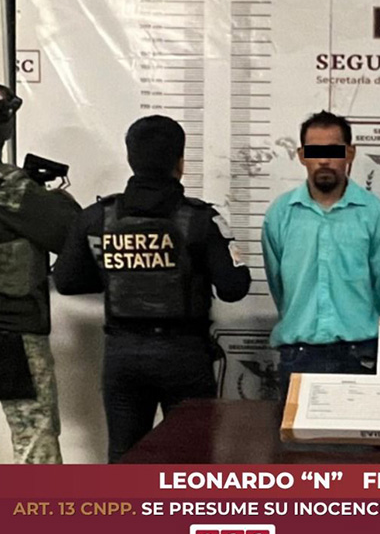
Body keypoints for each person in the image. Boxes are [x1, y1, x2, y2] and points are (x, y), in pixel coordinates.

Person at [54, 115, 250, 462]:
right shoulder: (201, 219)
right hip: (184, 356)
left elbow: (67, 281)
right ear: (180, 162)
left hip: (123, 355)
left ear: (131, 158)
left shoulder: (97, 216)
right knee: (191, 459)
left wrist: (120, 271)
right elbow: (234, 287)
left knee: (125, 458)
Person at [262, 111, 380, 397]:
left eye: (333, 151)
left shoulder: (377, 215)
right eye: (315, 151)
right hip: (298, 357)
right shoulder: (280, 214)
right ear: (302, 155)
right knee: (294, 430)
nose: (324, 160)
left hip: (360, 355)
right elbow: (279, 287)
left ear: (350, 153)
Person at [0, 82, 80, 463]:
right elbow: (69, 232)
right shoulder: (8, 186)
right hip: (13, 332)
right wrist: (55, 197)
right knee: (35, 445)